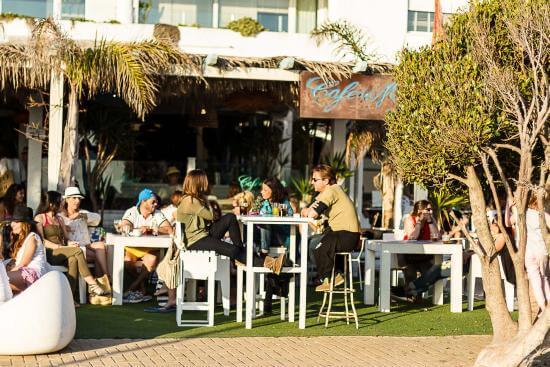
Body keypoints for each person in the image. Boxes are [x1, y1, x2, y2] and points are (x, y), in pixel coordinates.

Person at [145, 169, 285, 313]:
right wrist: (207, 202)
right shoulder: (190, 201)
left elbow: (213, 217)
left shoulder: (195, 199)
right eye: (204, 180)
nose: (207, 183)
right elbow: (211, 215)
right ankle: (269, 263)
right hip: (195, 241)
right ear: (198, 183)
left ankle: (240, 255)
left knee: (230, 218)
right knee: (234, 250)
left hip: (203, 234)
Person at [35, 191, 109, 306]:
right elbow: (41, 240)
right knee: (78, 251)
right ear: (51, 204)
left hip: (63, 251)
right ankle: (92, 284)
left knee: (73, 259)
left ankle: (69, 298)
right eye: (60, 202)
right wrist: (59, 246)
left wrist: (71, 243)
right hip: (50, 253)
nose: (62, 204)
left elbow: (66, 238)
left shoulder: (59, 219)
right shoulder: (40, 218)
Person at [301, 164, 361, 292]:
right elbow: (312, 210)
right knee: (312, 243)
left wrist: (306, 211)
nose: (312, 182)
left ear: (326, 181)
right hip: (343, 234)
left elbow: (312, 213)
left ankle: (330, 277)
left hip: (346, 235)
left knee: (314, 244)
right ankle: (332, 275)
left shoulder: (331, 190)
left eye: (315, 179)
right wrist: (307, 210)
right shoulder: (330, 191)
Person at [121, 188, 172, 303]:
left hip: (151, 249)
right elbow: (125, 224)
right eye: (153, 202)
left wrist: (152, 228)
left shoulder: (157, 213)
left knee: (152, 260)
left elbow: (169, 229)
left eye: (156, 202)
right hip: (133, 248)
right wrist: (129, 226)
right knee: (127, 262)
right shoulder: (132, 211)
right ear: (143, 201)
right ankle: (142, 286)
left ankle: (132, 288)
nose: (156, 204)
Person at [509, 192, 550, 313]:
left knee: (536, 280)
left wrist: (510, 207)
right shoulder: (542, 215)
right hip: (541, 249)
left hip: (527, 251)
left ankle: (543, 307)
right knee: (544, 278)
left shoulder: (520, 214)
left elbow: (507, 222)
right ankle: (547, 305)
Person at [59, 187, 110, 281]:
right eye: (74, 198)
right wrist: (64, 227)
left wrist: (81, 215)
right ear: (66, 199)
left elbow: (97, 219)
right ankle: (105, 279)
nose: (77, 201)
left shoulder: (83, 213)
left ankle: (105, 277)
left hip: (87, 244)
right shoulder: (60, 217)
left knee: (101, 245)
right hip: (74, 247)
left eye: (79, 198)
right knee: (99, 257)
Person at [1, 205, 48, 294]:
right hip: (24, 273)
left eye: (15, 222)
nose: (12, 225)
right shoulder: (24, 238)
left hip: (32, 275)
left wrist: (7, 273)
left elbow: (23, 263)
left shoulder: (32, 238)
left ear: (25, 224)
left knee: (2, 280)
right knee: (3, 284)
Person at [401, 200, 440, 285]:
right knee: (410, 275)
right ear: (420, 210)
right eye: (428, 210)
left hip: (425, 255)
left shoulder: (430, 219)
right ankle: (412, 295)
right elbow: (413, 237)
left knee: (431, 275)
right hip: (410, 255)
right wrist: (419, 222)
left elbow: (436, 236)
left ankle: (411, 293)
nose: (431, 212)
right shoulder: (410, 219)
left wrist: (430, 221)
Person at [256, 177, 294, 254]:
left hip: (280, 237)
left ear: (274, 191)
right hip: (263, 236)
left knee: (265, 223)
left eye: (265, 190)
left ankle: (264, 252)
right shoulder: (262, 203)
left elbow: (291, 219)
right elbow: (253, 214)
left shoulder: (284, 203)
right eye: (262, 189)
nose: (261, 192)